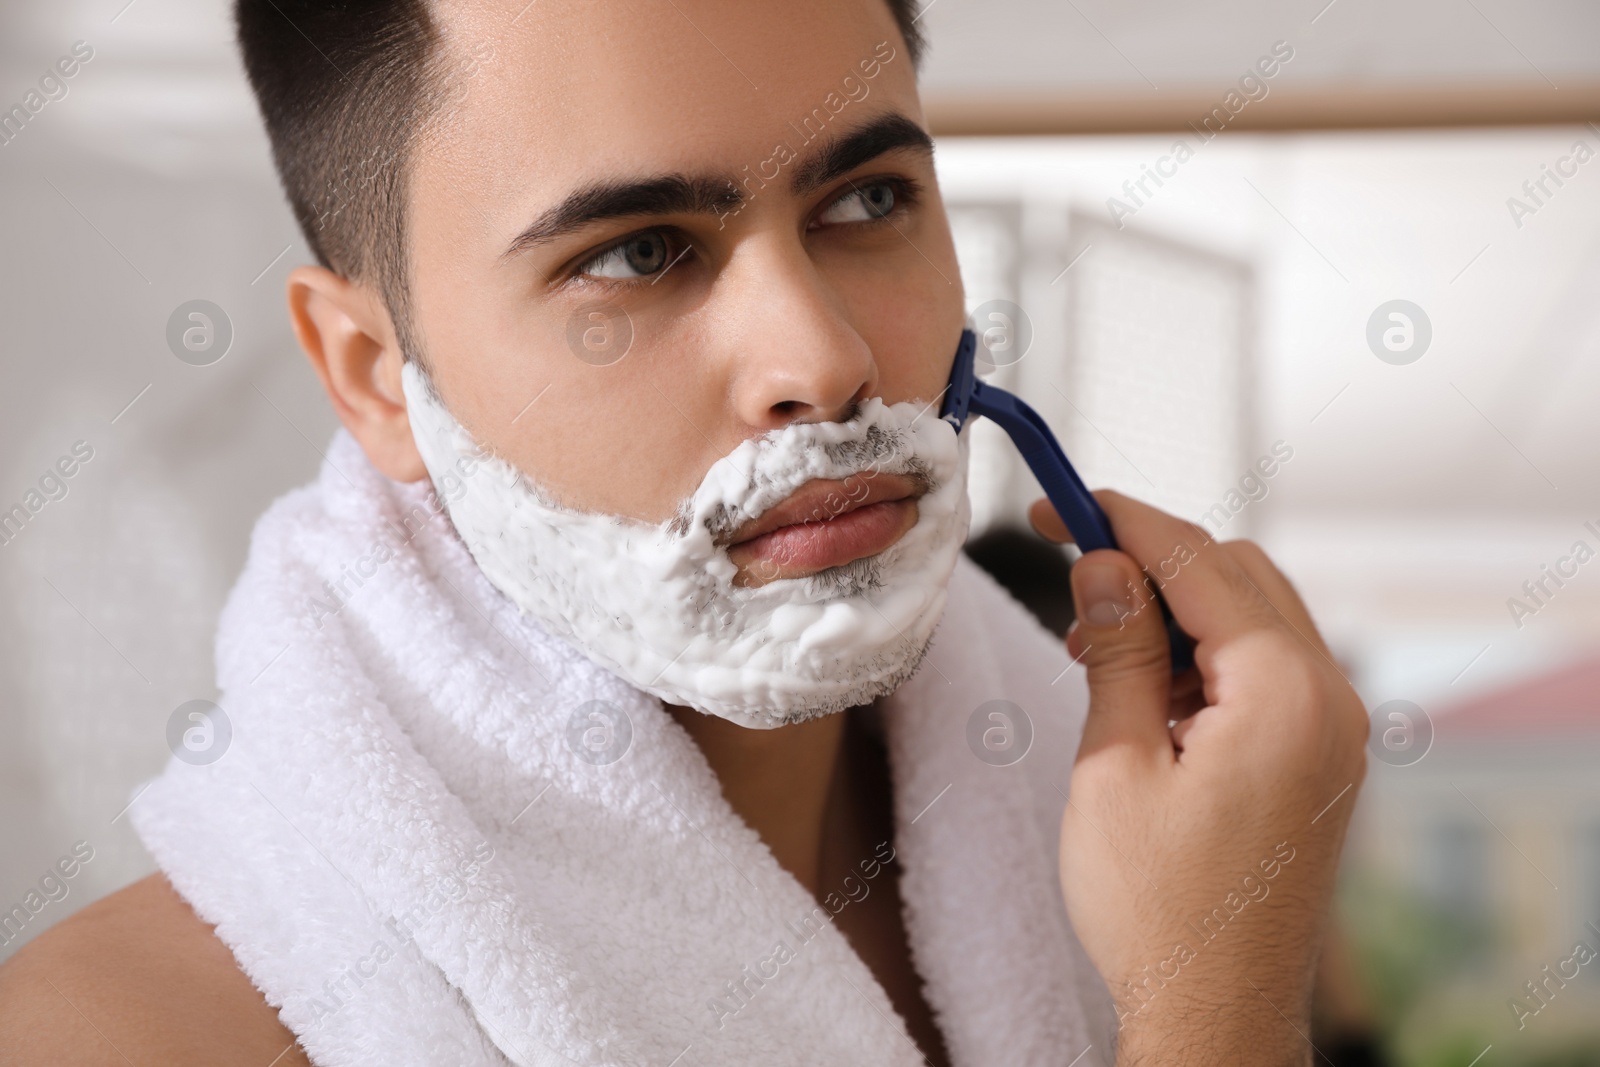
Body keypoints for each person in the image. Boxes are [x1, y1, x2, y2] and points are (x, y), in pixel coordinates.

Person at [0, 1, 1368, 1064]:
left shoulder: (1167, 860)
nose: (822, 362)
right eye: (641, 252)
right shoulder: (120, 1038)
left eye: (868, 200)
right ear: (369, 372)